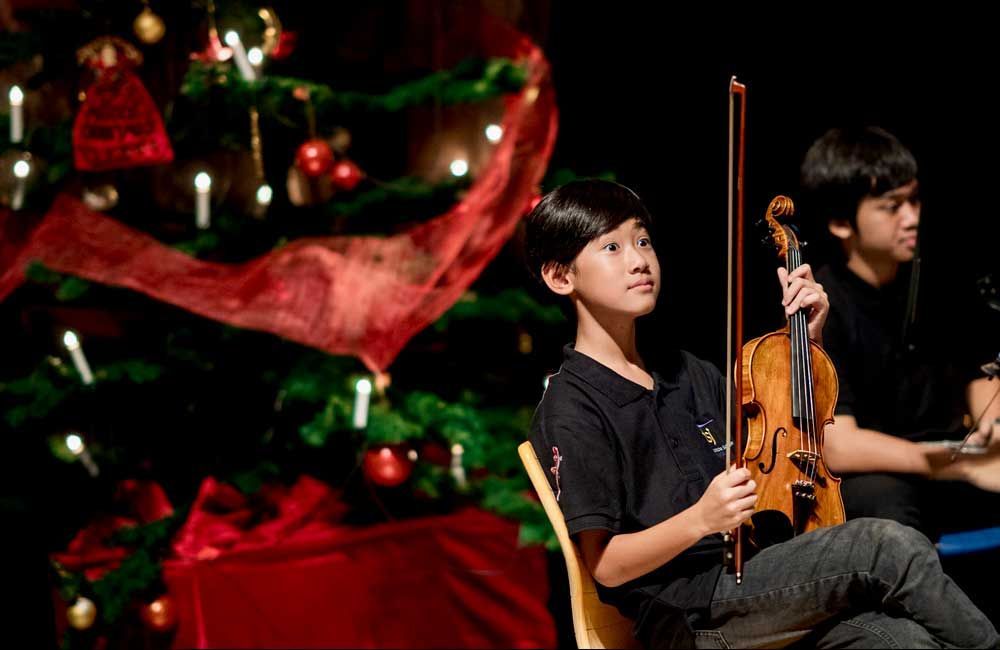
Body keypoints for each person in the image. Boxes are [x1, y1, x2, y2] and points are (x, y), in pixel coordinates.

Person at [525, 179, 998, 648]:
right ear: (560, 277)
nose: (639, 260)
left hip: (753, 579)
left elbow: (786, 435)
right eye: (612, 246)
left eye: (643, 240)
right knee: (888, 546)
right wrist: (701, 519)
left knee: (900, 640)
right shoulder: (571, 407)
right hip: (686, 615)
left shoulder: (686, 371)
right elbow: (606, 565)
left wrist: (806, 340)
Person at [799, 126, 1000, 537]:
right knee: (884, 506)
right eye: (892, 206)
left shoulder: (937, 282)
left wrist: (991, 421)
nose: (912, 218)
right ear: (841, 222)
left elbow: (976, 374)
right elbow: (839, 445)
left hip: (948, 461)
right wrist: (958, 465)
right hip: (882, 471)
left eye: (914, 200)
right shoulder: (821, 305)